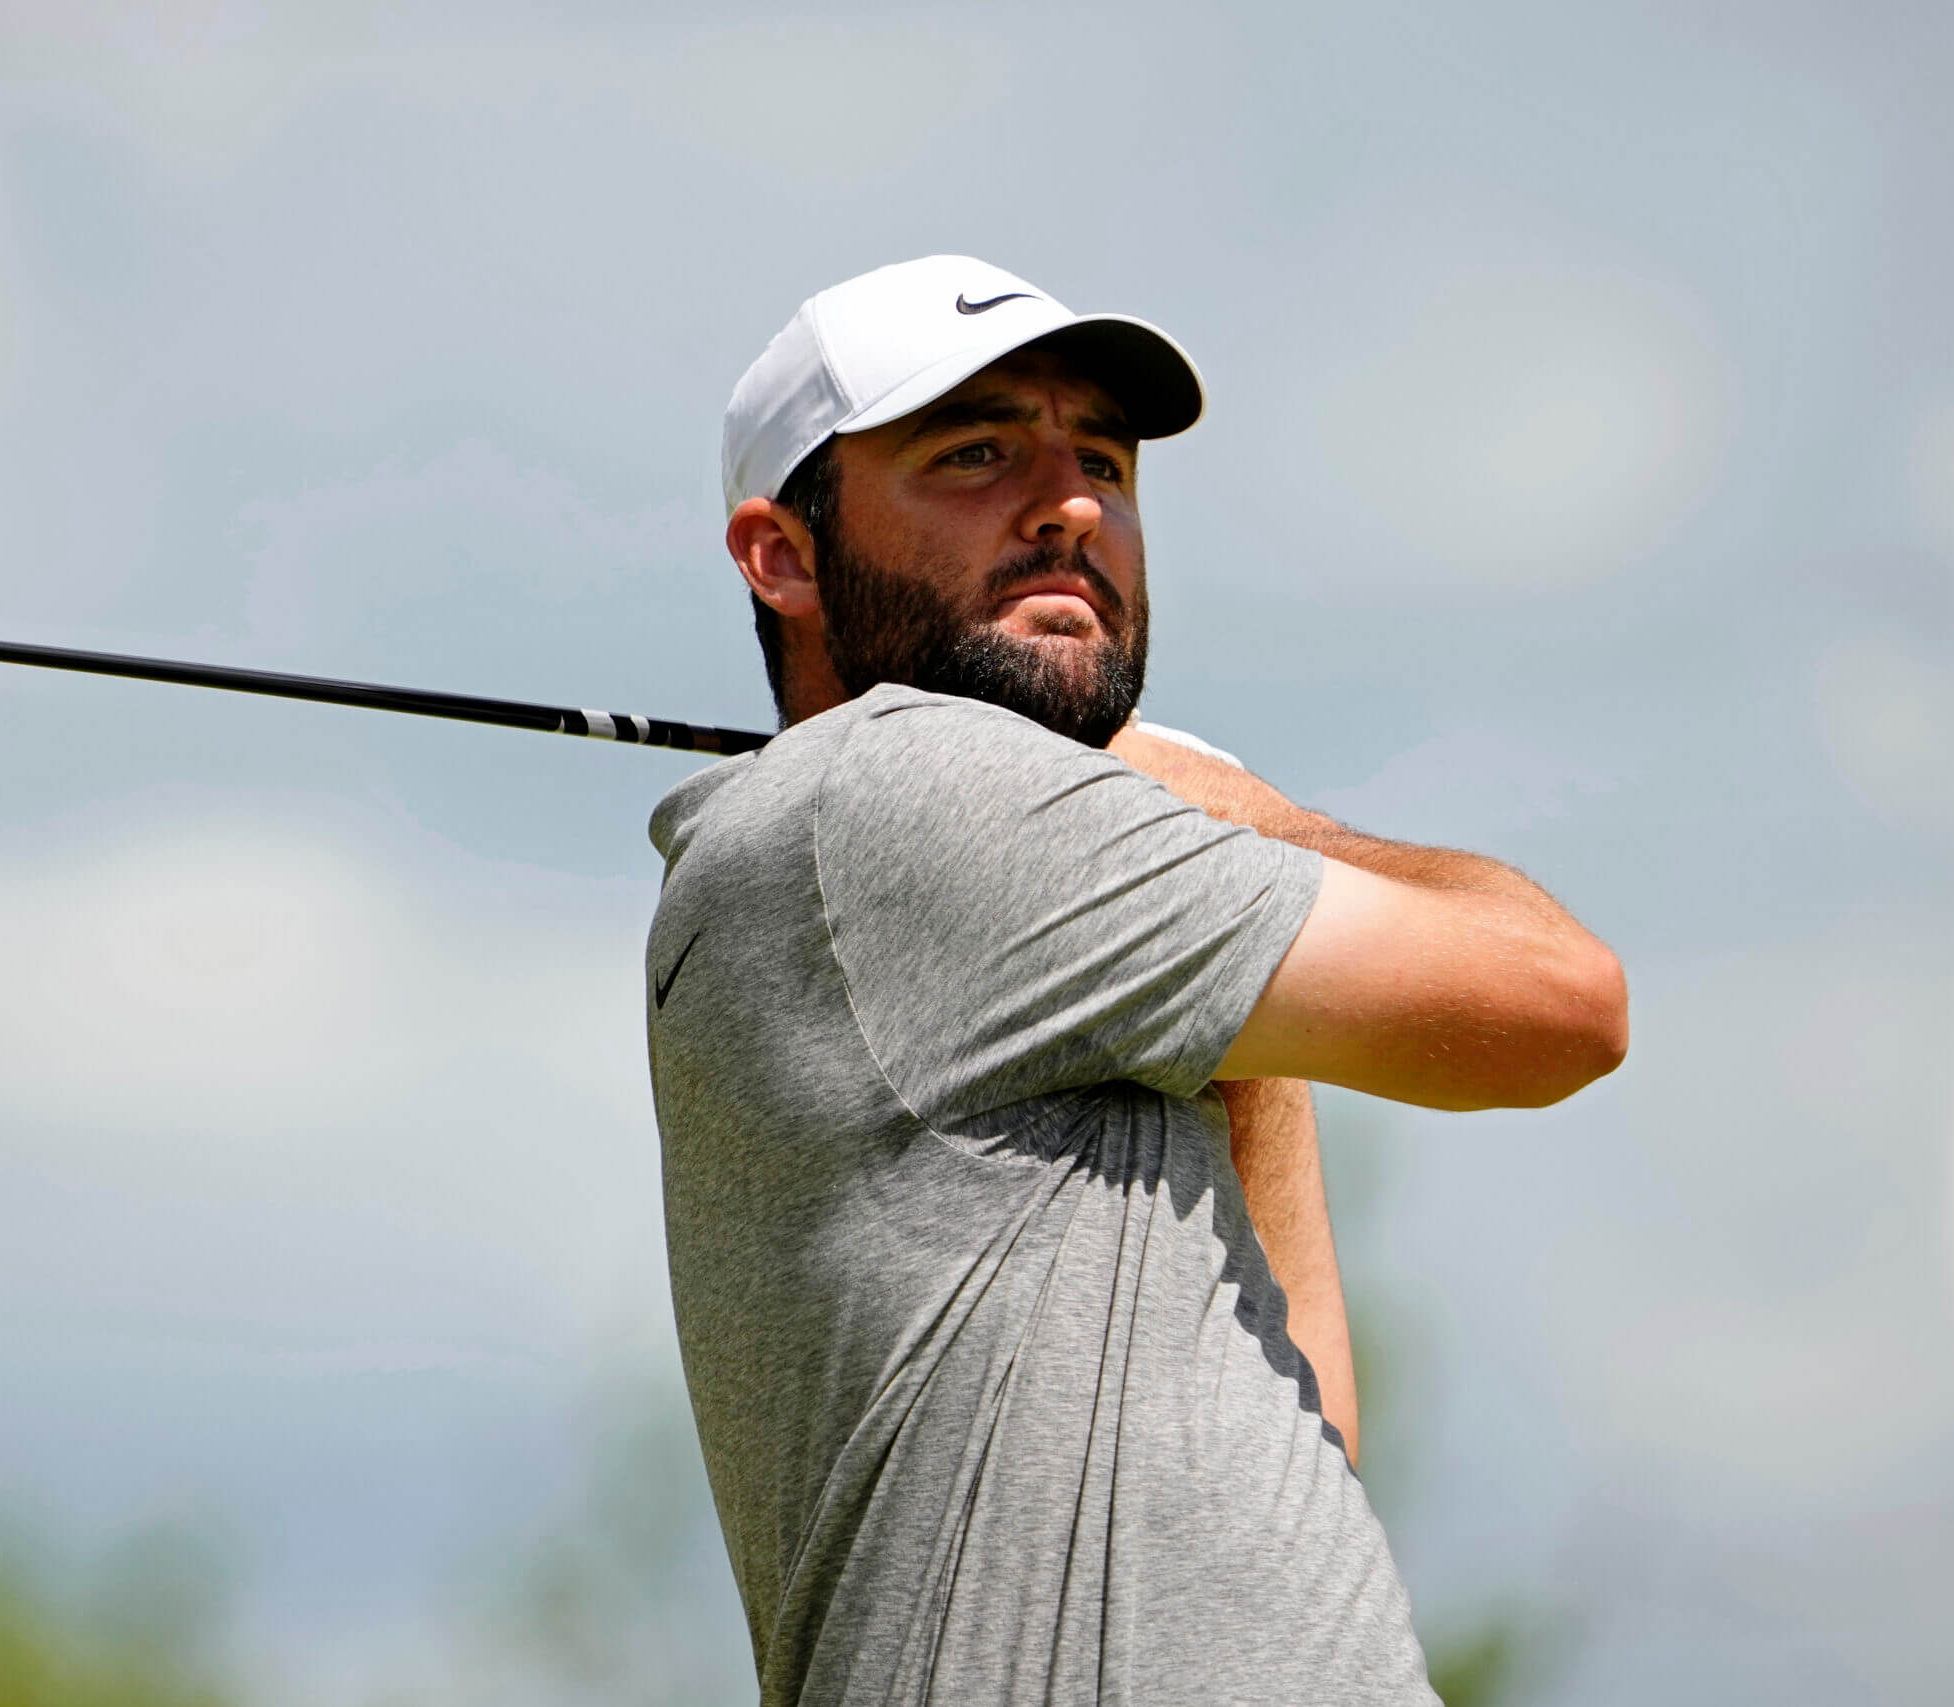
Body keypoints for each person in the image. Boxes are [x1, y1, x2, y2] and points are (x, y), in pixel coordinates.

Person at [643, 256, 1628, 1707]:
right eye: (974, 454)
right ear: (781, 555)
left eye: (1101, 460)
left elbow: (1306, 1435)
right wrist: (1249, 817)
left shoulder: (914, 869)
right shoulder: (902, 786)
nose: (1072, 507)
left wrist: (1205, 891)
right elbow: (1562, 1003)